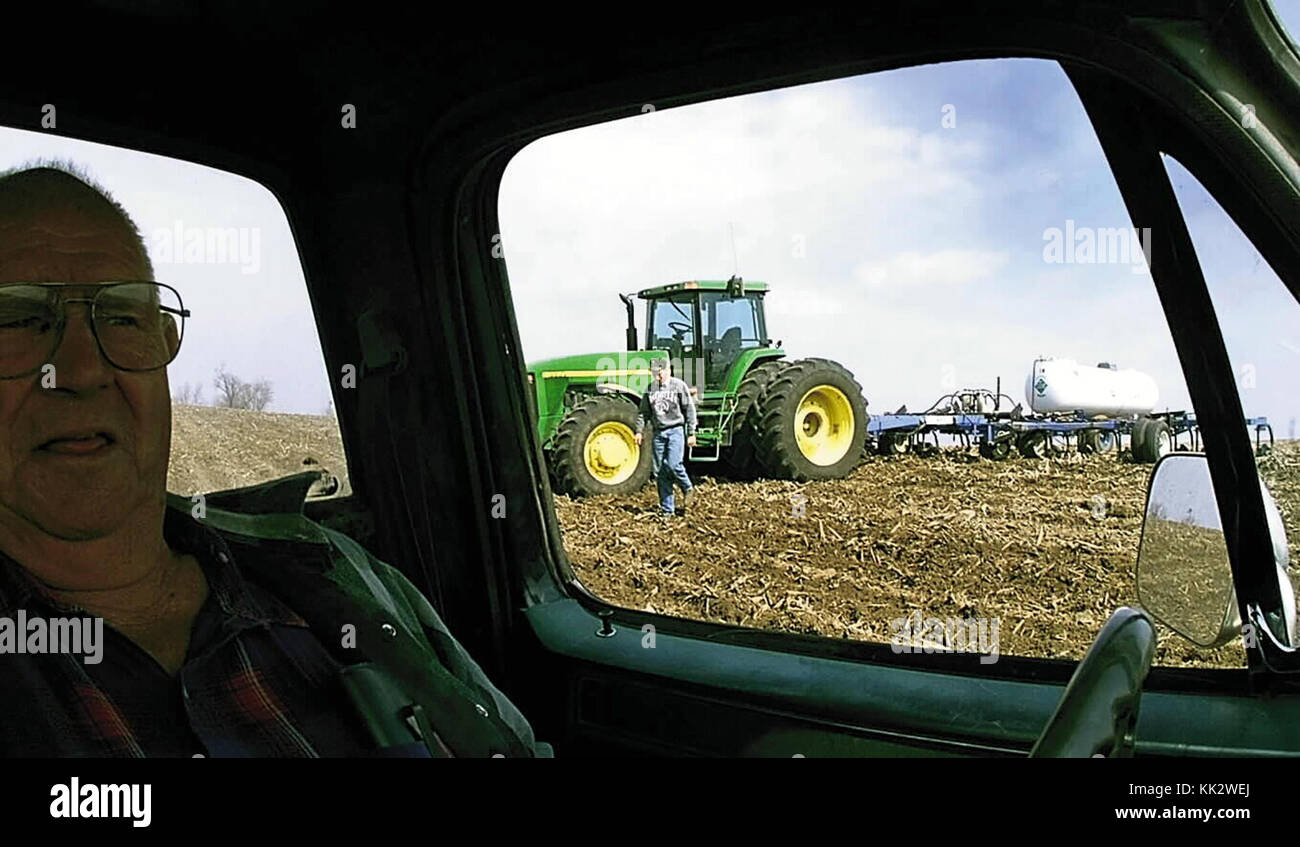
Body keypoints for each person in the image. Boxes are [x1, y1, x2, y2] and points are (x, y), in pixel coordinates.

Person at [0, 163, 550, 757]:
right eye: (19, 320)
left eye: (122, 317)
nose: (81, 370)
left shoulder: (339, 573)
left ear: (162, 345)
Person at [633, 359, 697, 517]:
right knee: (660, 472)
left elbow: (689, 409)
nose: (658, 375)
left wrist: (691, 432)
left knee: (673, 464)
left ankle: (687, 487)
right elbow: (644, 413)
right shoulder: (650, 390)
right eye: (655, 372)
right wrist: (639, 431)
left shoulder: (678, 386)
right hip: (658, 433)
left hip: (675, 430)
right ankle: (668, 510)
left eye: (660, 371)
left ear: (668, 370)